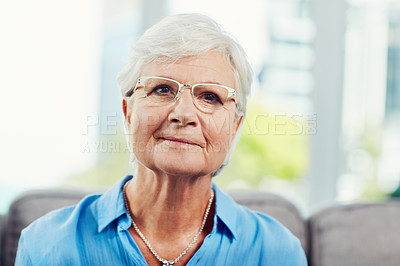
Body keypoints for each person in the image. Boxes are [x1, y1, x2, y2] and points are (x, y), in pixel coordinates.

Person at [15, 13, 307, 265]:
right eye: (162, 90)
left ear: (234, 127)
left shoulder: (277, 252)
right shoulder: (48, 245)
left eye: (209, 97)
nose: (184, 114)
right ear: (128, 112)